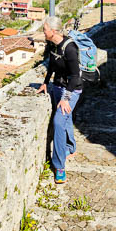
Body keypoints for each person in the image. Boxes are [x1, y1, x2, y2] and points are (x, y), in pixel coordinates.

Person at [38, 15, 82, 184]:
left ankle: (59, 166)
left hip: (71, 90)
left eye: (45, 29)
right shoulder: (53, 45)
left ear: (53, 31)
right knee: (65, 118)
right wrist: (45, 82)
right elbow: (51, 64)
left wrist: (66, 98)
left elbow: (75, 76)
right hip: (57, 87)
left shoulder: (69, 48)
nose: (43, 32)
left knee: (58, 121)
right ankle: (71, 148)